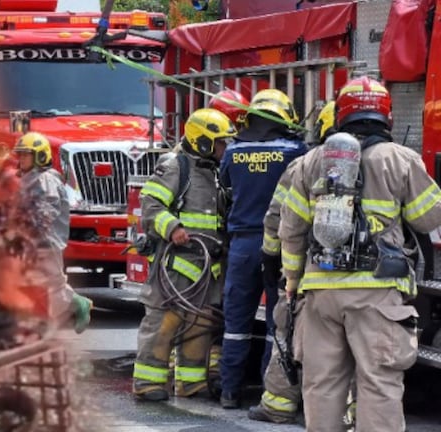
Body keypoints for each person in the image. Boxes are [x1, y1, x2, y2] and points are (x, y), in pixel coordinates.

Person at [279, 76, 441, 432]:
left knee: (322, 384)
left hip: (320, 293)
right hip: (377, 293)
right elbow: (428, 218)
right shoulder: (399, 159)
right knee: (378, 382)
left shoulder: (311, 162)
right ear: (387, 115)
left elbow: (290, 229)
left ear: (341, 113)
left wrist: (292, 279)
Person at [132, 108, 235, 402]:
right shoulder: (175, 166)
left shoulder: (216, 173)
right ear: (202, 141)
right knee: (165, 322)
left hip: (208, 266)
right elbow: (150, 206)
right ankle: (147, 382)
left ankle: (191, 383)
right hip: (177, 263)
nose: (224, 148)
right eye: (220, 142)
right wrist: (172, 227)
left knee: (199, 324)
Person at [218, 88, 307, 409]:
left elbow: (225, 189)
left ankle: (229, 391)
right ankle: (269, 391)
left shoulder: (233, 151)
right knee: (277, 323)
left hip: (242, 245)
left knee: (236, 323)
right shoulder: (295, 150)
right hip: (279, 246)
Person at [247, 100, 336, 424]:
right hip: (358, 278)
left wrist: (274, 262)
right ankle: (347, 413)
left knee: (287, 332)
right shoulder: (378, 164)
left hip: (306, 271)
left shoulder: (301, 165)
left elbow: (278, 218)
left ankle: (278, 405)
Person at [0, 131, 93, 333]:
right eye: (20, 155)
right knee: (36, 282)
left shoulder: (46, 180)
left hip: (46, 241)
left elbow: (45, 213)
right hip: (31, 242)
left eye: (26, 155)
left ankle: (76, 305)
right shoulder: (28, 178)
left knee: (52, 286)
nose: (21, 159)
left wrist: (24, 229)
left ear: (40, 156)